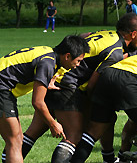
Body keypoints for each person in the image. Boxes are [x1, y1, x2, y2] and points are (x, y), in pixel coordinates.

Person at [9, 13, 137, 163]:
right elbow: (92, 84)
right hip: (67, 87)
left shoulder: (107, 34)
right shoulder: (115, 53)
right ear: (133, 34)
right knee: (74, 136)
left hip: (54, 78)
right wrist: (90, 103)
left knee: (32, 133)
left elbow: (83, 35)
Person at [0, 35, 89, 163]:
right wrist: (53, 124)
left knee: (17, 140)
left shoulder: (48, 54)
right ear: (67, 56)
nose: (78, 65)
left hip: (5, 90)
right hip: (2, 89)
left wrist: (47, 82)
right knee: (14, 141)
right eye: (79, 60)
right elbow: (37, 102)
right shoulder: (48, 63)